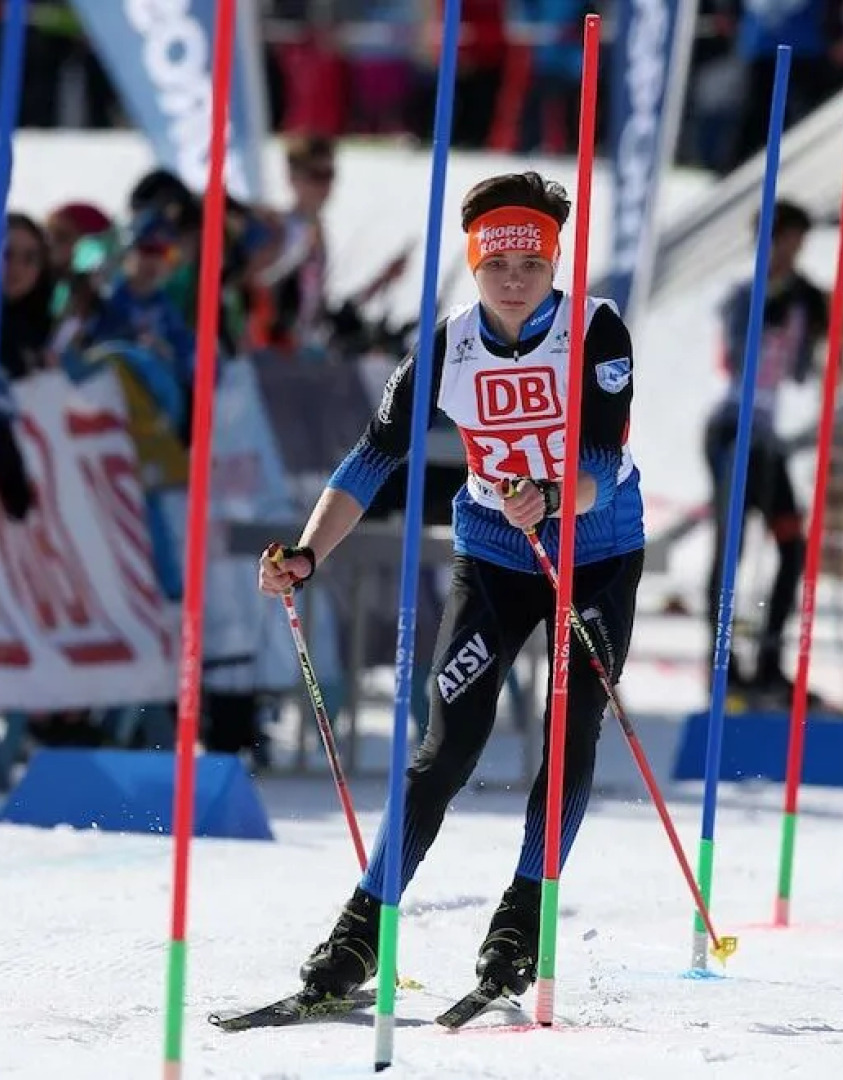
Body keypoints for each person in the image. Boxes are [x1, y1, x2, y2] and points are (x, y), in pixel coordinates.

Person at [257, 171, 644, 1000]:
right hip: (497, 553)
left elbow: (604, 465)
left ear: (552, 262)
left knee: (570, 737)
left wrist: (554, 494)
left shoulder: (596, 331)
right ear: (475, 264)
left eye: (532, 264)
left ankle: (522, 913)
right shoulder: (445, 345)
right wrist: (309, 553)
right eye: (498, 264)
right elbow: (373, 457)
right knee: (447, 745)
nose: (515, 280)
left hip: (596, 553)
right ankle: (362, 931)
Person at [702, 198, 828, 708]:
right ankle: (723, 670)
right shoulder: (744, 292)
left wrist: (814, 327)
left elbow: (798, 371)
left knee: (790, 545)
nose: (792, 253)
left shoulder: (800, 298)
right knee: (731, 550)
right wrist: (768, 311)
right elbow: (733, 358)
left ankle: (771, 664)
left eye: (799, 243)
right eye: (785, 241)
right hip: (732, 431)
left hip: (770, 438)